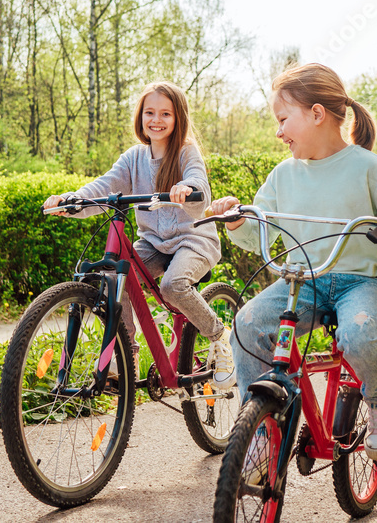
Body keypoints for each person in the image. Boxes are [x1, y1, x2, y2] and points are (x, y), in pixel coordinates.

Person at [211, 63, 377, 461]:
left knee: (360, 334)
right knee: (246, 324)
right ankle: (259, 424)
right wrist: (239, 219)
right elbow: (257, 233)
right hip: (301, 282)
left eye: (282, 119)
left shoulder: (368, 166)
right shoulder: (283, 176)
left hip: (362, 282)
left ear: (316, 114)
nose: (278, 132)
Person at [42, 81, 235, 390]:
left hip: (194, 239)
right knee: (115, 274)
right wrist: (73, 200)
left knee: (173, 286)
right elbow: (103, 186)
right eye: (149, 112)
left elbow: (198, 180)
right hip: (155, 242)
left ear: (178, 119)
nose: (156, 120)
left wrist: (188, 188)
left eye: (165, 114)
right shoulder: (133, 158)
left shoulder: (186, 151)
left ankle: (218, 336)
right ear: (140, 116)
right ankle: (126, 352)